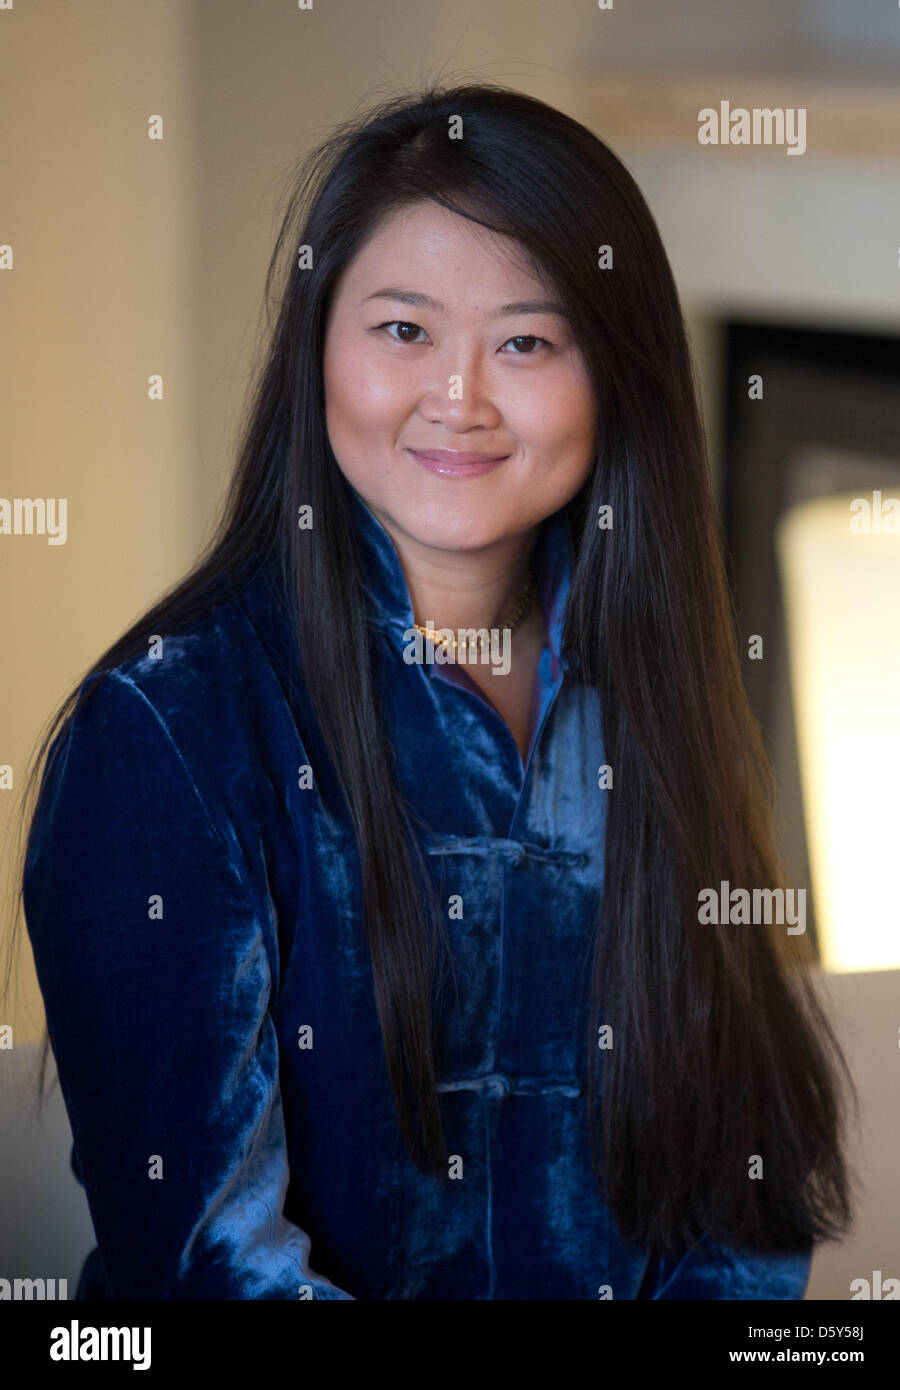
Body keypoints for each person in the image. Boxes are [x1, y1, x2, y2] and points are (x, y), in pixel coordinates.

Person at [17, 82, 856, 1299]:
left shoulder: (650, 691)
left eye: (525, 340)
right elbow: (205, 1266)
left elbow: (739, 1181)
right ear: (316, 349)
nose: (459, 396)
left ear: (612, 377)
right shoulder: (166, 730)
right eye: (403, 331)